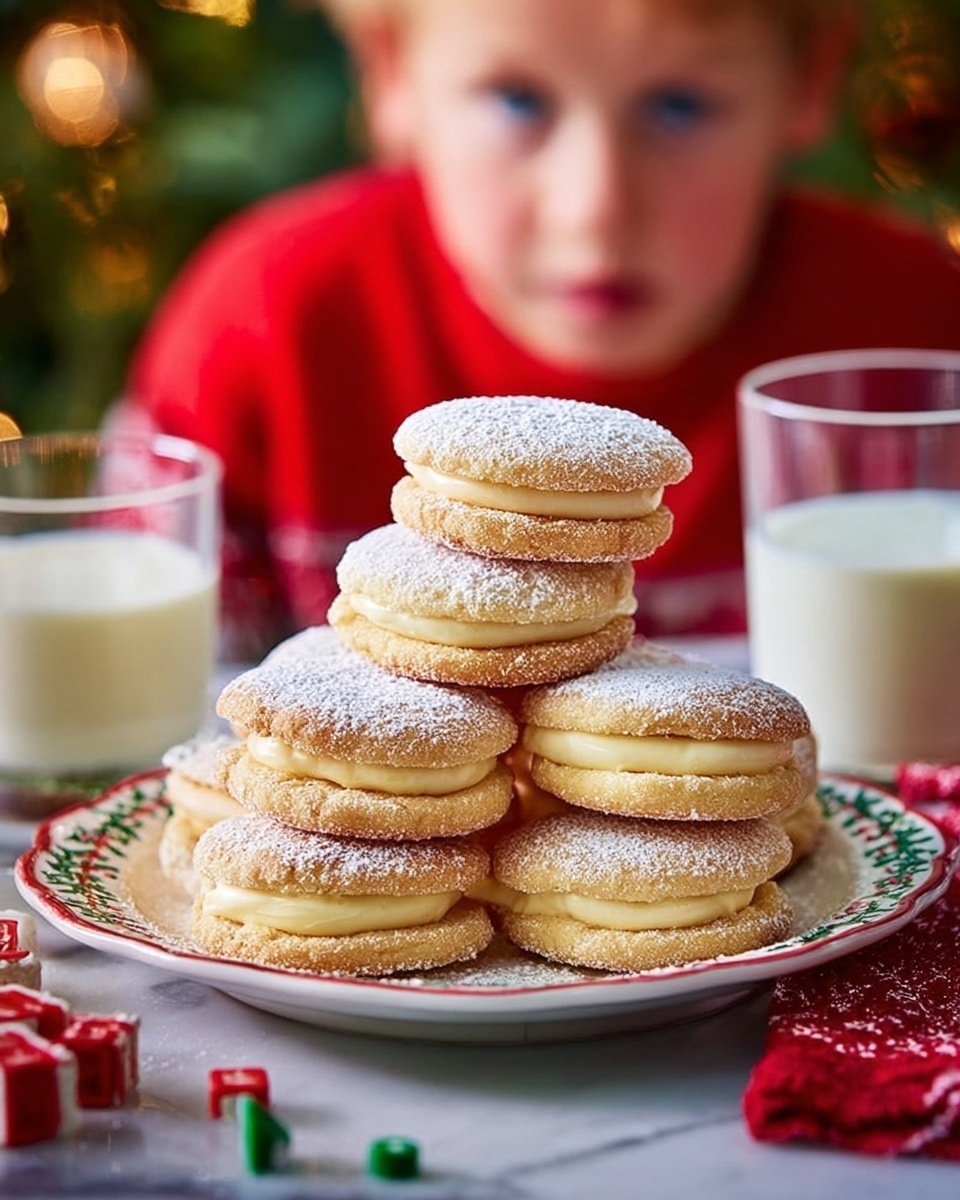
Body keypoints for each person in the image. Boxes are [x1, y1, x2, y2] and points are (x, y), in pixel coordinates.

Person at [118, 0, 960, 661]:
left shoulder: (918, 344)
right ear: (391, 71)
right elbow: (135, 700)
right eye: (518, 100)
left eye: (678, 107)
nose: (595, 207)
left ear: (809, 79)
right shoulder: (267, 328)